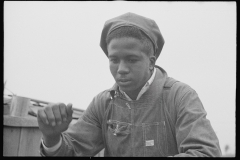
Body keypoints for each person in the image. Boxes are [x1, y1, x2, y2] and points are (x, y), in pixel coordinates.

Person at [37, 12, 222, 157]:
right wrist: (51, 138)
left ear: (151, 62)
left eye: (131, 59)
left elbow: (206, 153)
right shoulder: (103, 103)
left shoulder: (180, 96)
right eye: (114, 59)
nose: (121, 69)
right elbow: (70, 151)